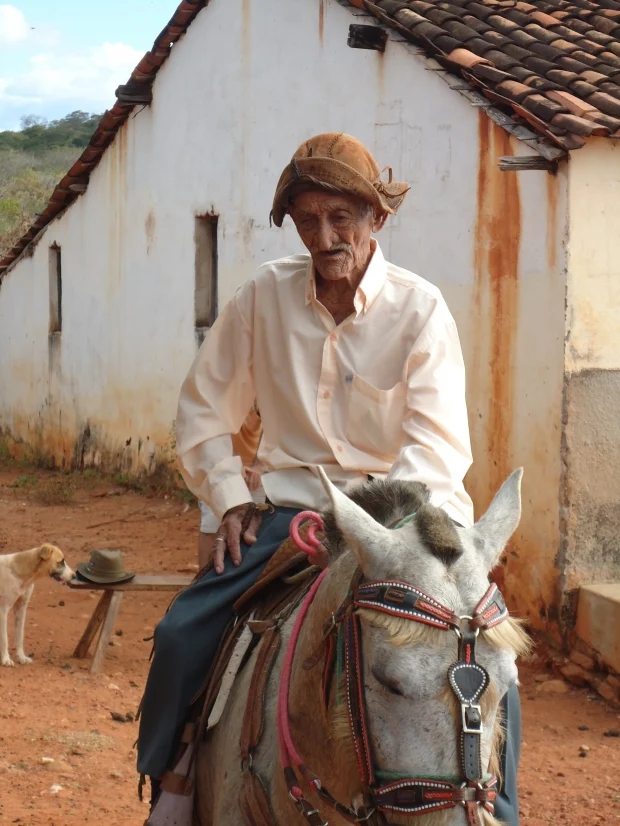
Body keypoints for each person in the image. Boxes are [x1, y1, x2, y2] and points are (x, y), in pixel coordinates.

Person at [137, 133, 520, 826]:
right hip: (298, 517)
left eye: (342, 217)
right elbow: (201, 413)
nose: (324, 235)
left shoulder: (420, 309)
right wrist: (228, 496)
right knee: (181, 635)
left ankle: (499, 808)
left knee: (487, 655)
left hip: (412, 524)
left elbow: (434, 450)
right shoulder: (263, 298)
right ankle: (176, 782)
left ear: (377, 219)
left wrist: (379, 534)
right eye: (308, 219)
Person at [197, 405, 264, 568]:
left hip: (262, 465)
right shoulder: (221, 386)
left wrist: (259, 466)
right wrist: (232, 468)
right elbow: (216, 428)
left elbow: (273, 427)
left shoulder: (270, 386)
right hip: (223, 463)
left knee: (257, 526)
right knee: (211, 524)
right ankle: (202, 583)